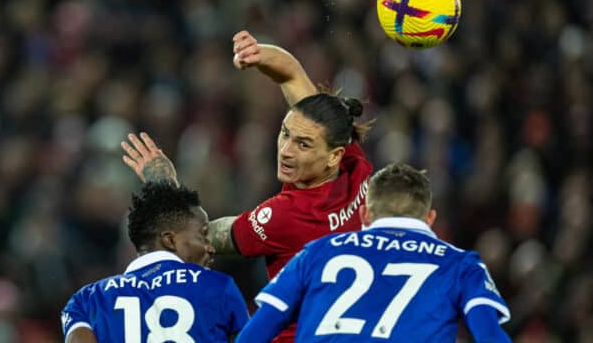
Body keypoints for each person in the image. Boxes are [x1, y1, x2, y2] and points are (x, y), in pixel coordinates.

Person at [121, 30, 374, 342]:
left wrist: (164, 184)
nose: (286, 150)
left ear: (332, 155)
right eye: (285, 133)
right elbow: (292, 74)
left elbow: (199, 237)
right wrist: (260, 55)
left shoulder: (286, 216)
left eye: (303, 145)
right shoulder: (354, 165)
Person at [235, 163, 512, 343]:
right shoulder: (461, 264)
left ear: (364, 214)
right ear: (429, 218)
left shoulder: (318, 252)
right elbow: (489, 334)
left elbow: (257, 331)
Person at [61, 181, 249, 343]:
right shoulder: (219, 286)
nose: (211, 247)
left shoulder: (85, 302)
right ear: (169, 240)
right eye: (203, 236)